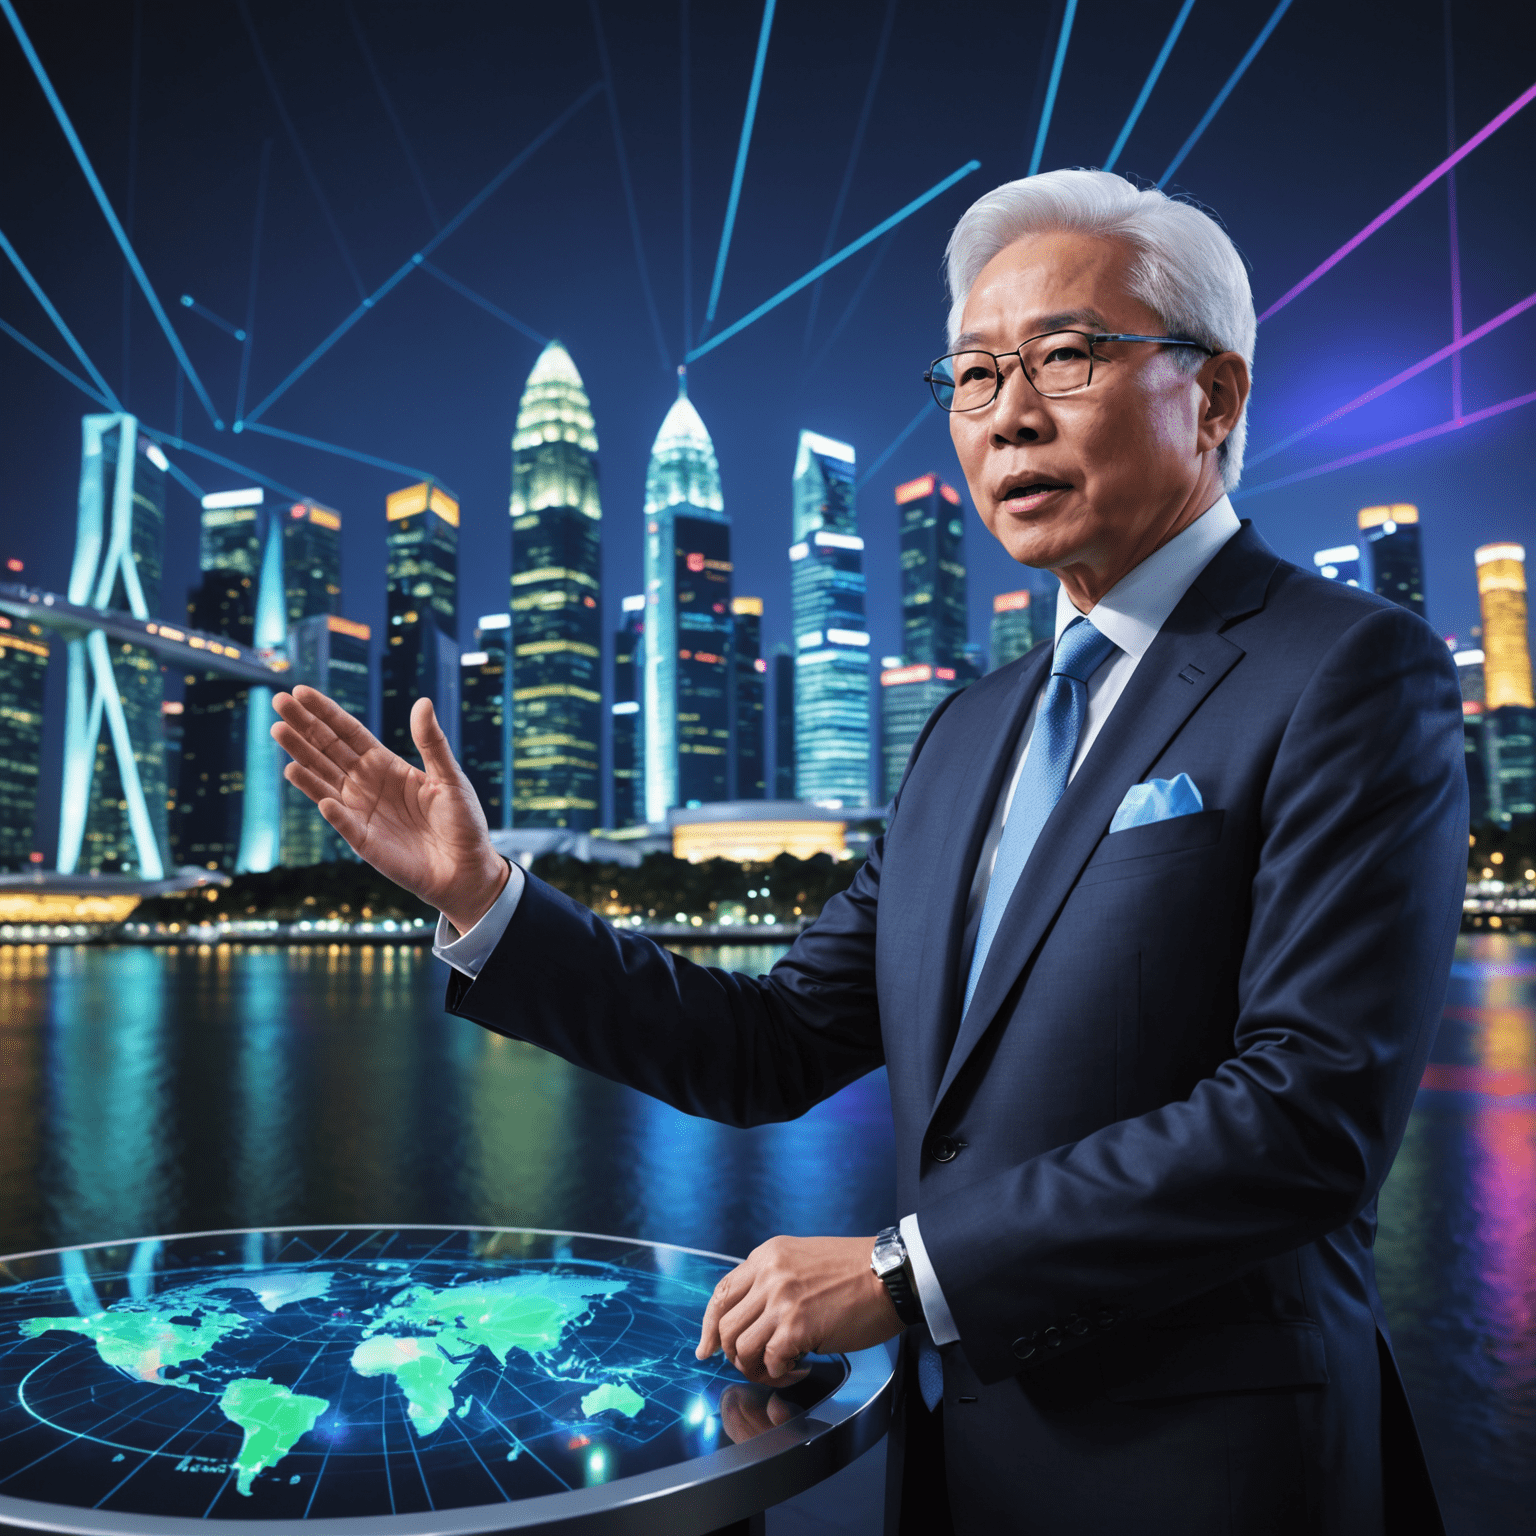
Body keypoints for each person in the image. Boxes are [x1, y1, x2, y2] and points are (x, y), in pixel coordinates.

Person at [272, 169, 1467, 1536]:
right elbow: (772, 1040)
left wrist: (905, 1276)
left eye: (1066, 357)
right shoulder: (969, 730)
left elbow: (1305, 1118)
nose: (1010, 410)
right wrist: (487, 901)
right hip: (959, 1479)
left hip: (1218, 1484)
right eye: (971, 373)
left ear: (1215, 397)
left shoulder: (1349, 672)